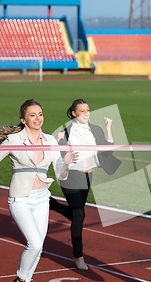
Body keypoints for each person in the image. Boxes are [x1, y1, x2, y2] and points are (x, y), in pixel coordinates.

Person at [0, 99, 76, 282]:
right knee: (34, 243)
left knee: (39, 246)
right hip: (20, 198)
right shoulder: (14, 140)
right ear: (24, 120)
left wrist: (67, 162)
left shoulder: (50, 140)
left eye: (40, 114)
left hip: (42, 198)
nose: (38, 118)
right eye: (32, 115)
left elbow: (61, 173)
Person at [49, 98, 121, 270]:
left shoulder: (95, 129)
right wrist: (58, 142)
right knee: (79, 214)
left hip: (88, 176)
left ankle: (52, 204)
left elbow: (107, 151)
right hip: (70, 176)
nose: (86, 114)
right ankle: (78, 256)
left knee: (76, 213)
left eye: (88, 110)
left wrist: (109, 128)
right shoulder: (65, 132)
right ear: (74, 113)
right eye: (82, 111)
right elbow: (58, 159)